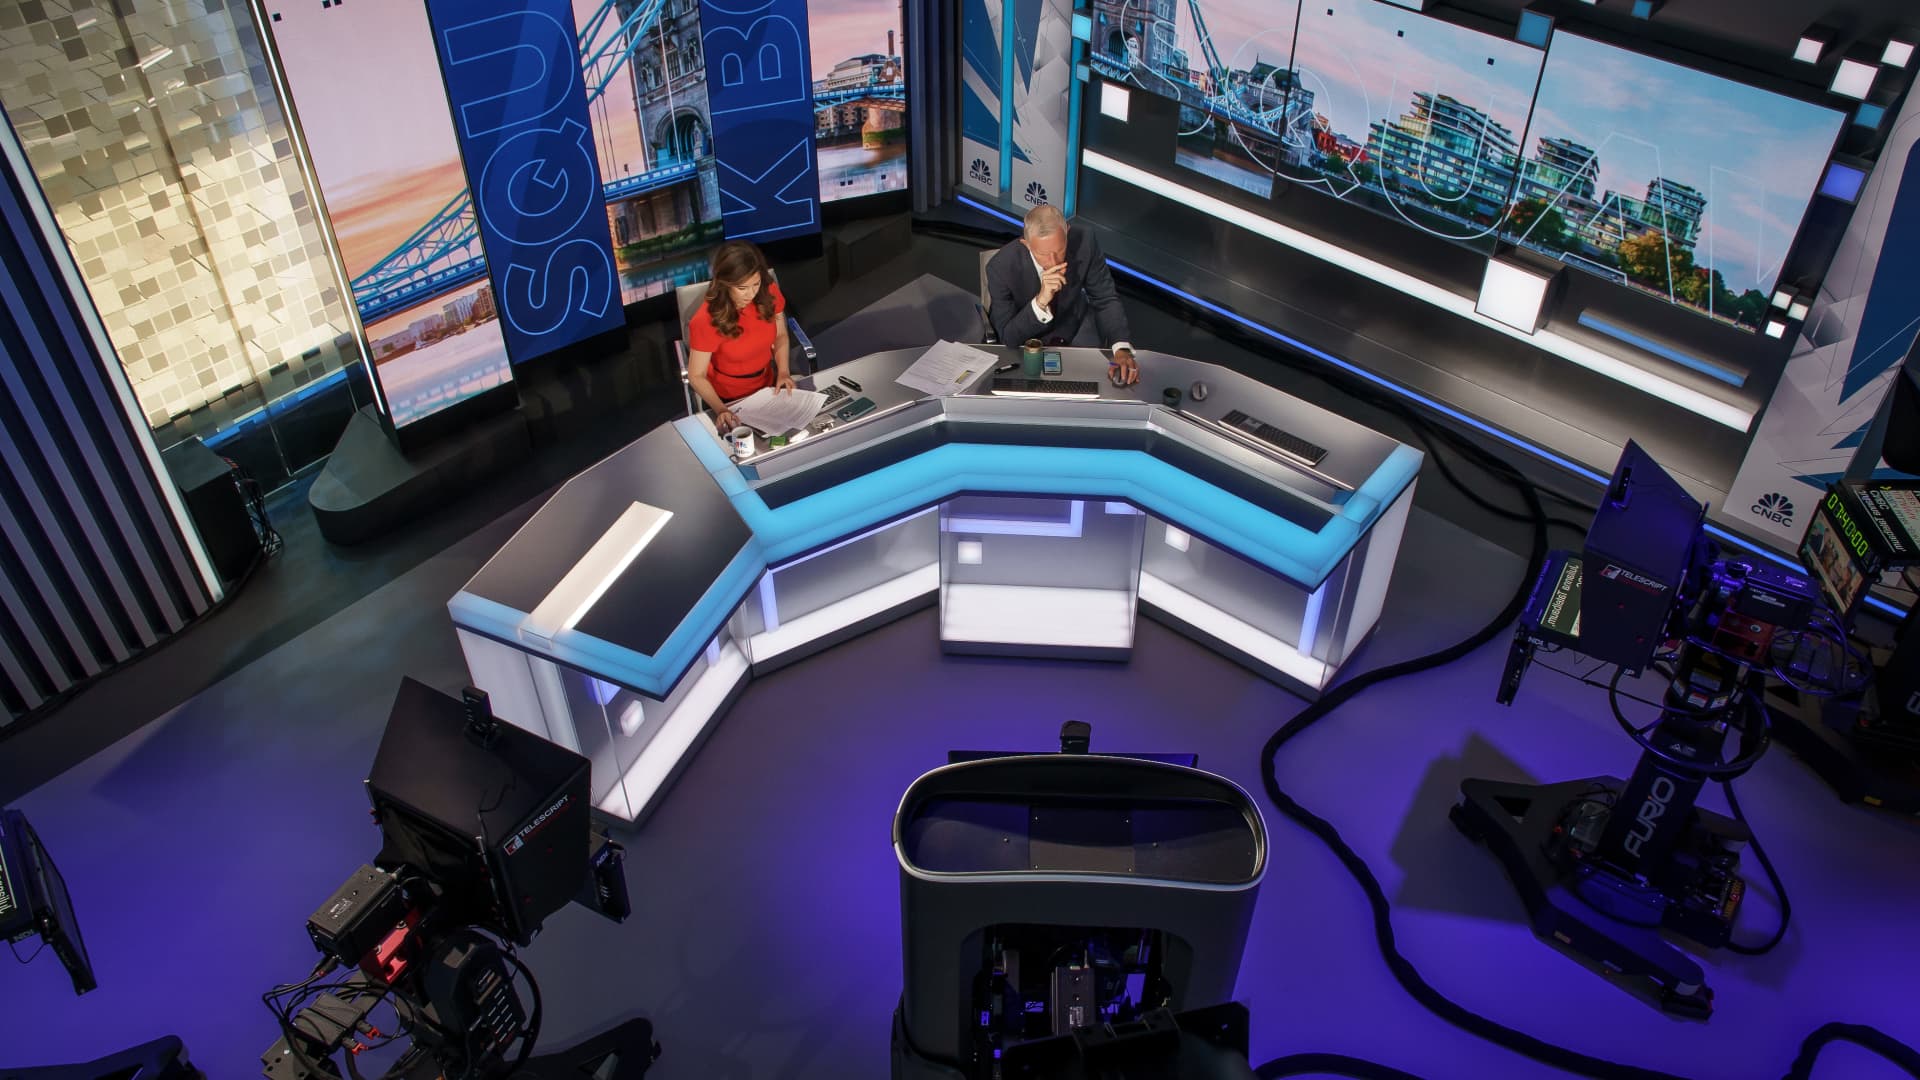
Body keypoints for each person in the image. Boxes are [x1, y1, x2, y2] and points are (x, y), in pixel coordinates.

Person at [984, 203, 1138, 386]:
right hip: (1027, 341)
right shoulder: (1000, 268)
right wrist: (1040, 302)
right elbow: (1008, 337)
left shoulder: (1085, 241)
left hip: (1073, 325)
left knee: (1092, 384)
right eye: (1043, 254)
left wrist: (1121, 348)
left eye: (1059, 251)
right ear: (1026, 245)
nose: (1053, 262)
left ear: (1067, 233)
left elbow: (1105, 298)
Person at [687, 240, 794, 431]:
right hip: (728, 399)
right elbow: (696, 375)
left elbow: (780, 335)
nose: (751, 294)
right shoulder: (706, 319)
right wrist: (721, 409)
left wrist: (784, 372)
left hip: (768, 387)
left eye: (755, 284)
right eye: (742, 288)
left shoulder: (767, 291)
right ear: (725, 284)